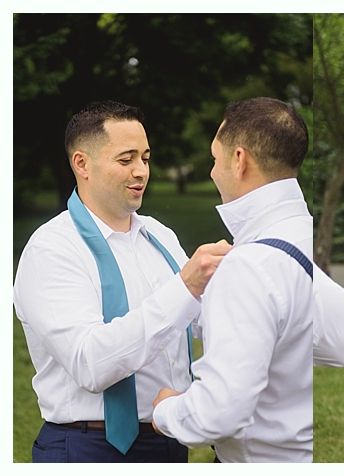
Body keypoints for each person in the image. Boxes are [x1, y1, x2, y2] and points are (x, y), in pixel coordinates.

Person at [13, 100, 232, 462]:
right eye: (126, 159)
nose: (141, 171)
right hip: (86, 447)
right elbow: (91, 364)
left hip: (168, 441)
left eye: (145, 158)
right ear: (81, 164)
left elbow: (198, 321)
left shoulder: (160, 236)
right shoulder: (51, 249)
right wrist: (186, 287)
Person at [150, 97, 344, 462]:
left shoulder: (249, 266)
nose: (212, 173)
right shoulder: (300, 236)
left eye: (214, 159)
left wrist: (166, 410)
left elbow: (217, 415)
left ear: (239, 160)